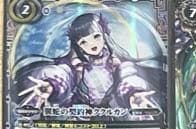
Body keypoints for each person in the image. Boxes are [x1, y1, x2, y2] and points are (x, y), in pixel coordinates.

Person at [14, 12, 160, 111]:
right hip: (79, 110)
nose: (92, 44)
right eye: (84, 42)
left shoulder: (116, 62)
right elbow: (63, 73)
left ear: (105, 35)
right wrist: (51, 85)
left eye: (96, 36)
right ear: (78, 46)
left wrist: (133, 93)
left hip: (110, 111)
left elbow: (128, 75)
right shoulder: (76, 64)